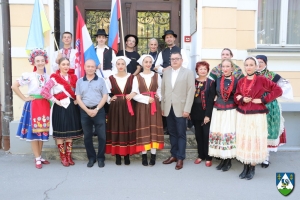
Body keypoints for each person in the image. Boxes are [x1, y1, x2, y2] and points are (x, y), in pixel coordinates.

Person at [235, 57, 282, 180]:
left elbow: (278, 90)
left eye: (251, 65)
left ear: (256, 66)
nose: (249, 67)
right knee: (245, 140)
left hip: (256, 115)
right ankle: (245, 167)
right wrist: (241, 98)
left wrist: (263, 100)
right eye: (247, 65)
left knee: (255, 141)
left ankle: (252, 168)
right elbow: (236, 95)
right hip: (243, 115)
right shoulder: (241, 81)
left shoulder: (262, 80)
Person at [11, 49, 51, 169]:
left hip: (44, 104)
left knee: (42, 131)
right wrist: (24, 98)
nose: (40, 63)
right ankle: (37, 158)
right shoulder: (29, 75)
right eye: (37, 61)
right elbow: (14, 86)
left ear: (45, 61)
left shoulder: (48, 76)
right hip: (34, 105)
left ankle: (39, 155)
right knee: (34, 131)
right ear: (33, 62)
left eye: (42, 61)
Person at [41, 57, 83, 167]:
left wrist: (77, 100)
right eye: (63, 64)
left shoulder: (73, 78)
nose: (65, 66)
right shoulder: (54, 78)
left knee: (69, 132)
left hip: (71, 107)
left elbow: (78, 91)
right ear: (59, 66)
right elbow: (44, 91)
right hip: (59, 107)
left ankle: (69, 156)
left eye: (67, 64)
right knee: (60, 133)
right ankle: (63, 157)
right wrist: (55, 100)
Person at [255, 55, 293, 168]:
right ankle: (256, 155)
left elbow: (284, 88)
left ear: (265, 63)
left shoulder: (272, 75)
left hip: (269, 105)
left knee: (267, 130)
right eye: (257, 62)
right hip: (255, 105)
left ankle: (265, 157)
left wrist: (271, 95)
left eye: (261, 62)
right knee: (256, 130)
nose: (259, 64)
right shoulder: (251, 74)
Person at [161, 52, 195, 170]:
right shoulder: (166, 73)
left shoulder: (188, 73)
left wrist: (187, 109)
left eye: (177, 59)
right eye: (172, 59)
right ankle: (173, 155)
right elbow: (163, 90)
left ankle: (180, 157)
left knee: (181, 134)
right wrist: (162, 107)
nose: (174, 61)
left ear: (181, 60)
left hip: (181, 108)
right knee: (172, 133)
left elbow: (191, 92)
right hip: (168, 108)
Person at [105, 56, 138, 165]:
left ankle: (127, 154)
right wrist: (110, 98)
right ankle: (118, 155)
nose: (120, 66)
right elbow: (104, 92)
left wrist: (132, 94)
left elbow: (136, 90)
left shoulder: (132, 77)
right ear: (115, 65)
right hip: (116, 107)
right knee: (117, 128)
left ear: (126, 65)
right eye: (118, 64)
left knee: (128, 127)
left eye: (122, 64)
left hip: (129, 105)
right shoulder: (110, 78)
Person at [76, 59, 108, 168]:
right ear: (84, 67)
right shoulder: (79, 81)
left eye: (92, 66)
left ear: (95, 68)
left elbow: (105, 96)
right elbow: (78, 98)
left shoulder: (101, 81)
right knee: (87, 136)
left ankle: (100, 158)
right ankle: (91, 158)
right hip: (85, 111)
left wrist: (97, 109)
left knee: (102, 136)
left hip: (98, 111)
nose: (90, 68)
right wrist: (87, 110)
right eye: (88, 66)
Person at [208, 59, 239, 172]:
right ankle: (222, 159)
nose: (225, 69)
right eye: (223, 66)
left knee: (228, 133)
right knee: (220, 134)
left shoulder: (237, 81)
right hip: (218, 110)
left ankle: (228, 159)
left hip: (231, 111)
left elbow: (238, 96)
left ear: (232, 68)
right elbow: (213, 95)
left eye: (228, 66)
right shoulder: (217, 80)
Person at [134, 55, 164, 166]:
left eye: (150, 62)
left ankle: (153, 155)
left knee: (153, 129)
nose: (148, 64)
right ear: (142, 63)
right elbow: (134, 94)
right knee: (144, 129)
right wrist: (147, 99)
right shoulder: (137, 77)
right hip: (142, 105)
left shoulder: (157, 76)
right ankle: (144, 155)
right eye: (146, 62)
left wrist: (159, 97)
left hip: (154, 105)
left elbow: (160, 90)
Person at [190, 61, 216, 167]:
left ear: (207, 70)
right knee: (198, 135)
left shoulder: (211, 82)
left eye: (205, 69)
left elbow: (210, 101)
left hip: (206, 112)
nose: (202, 71)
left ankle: (208, 157)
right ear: (197, 70)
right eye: (200, 69)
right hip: (195, 111)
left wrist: (208, 115)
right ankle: (201, 155)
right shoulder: (192, 82)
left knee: (206, 135)